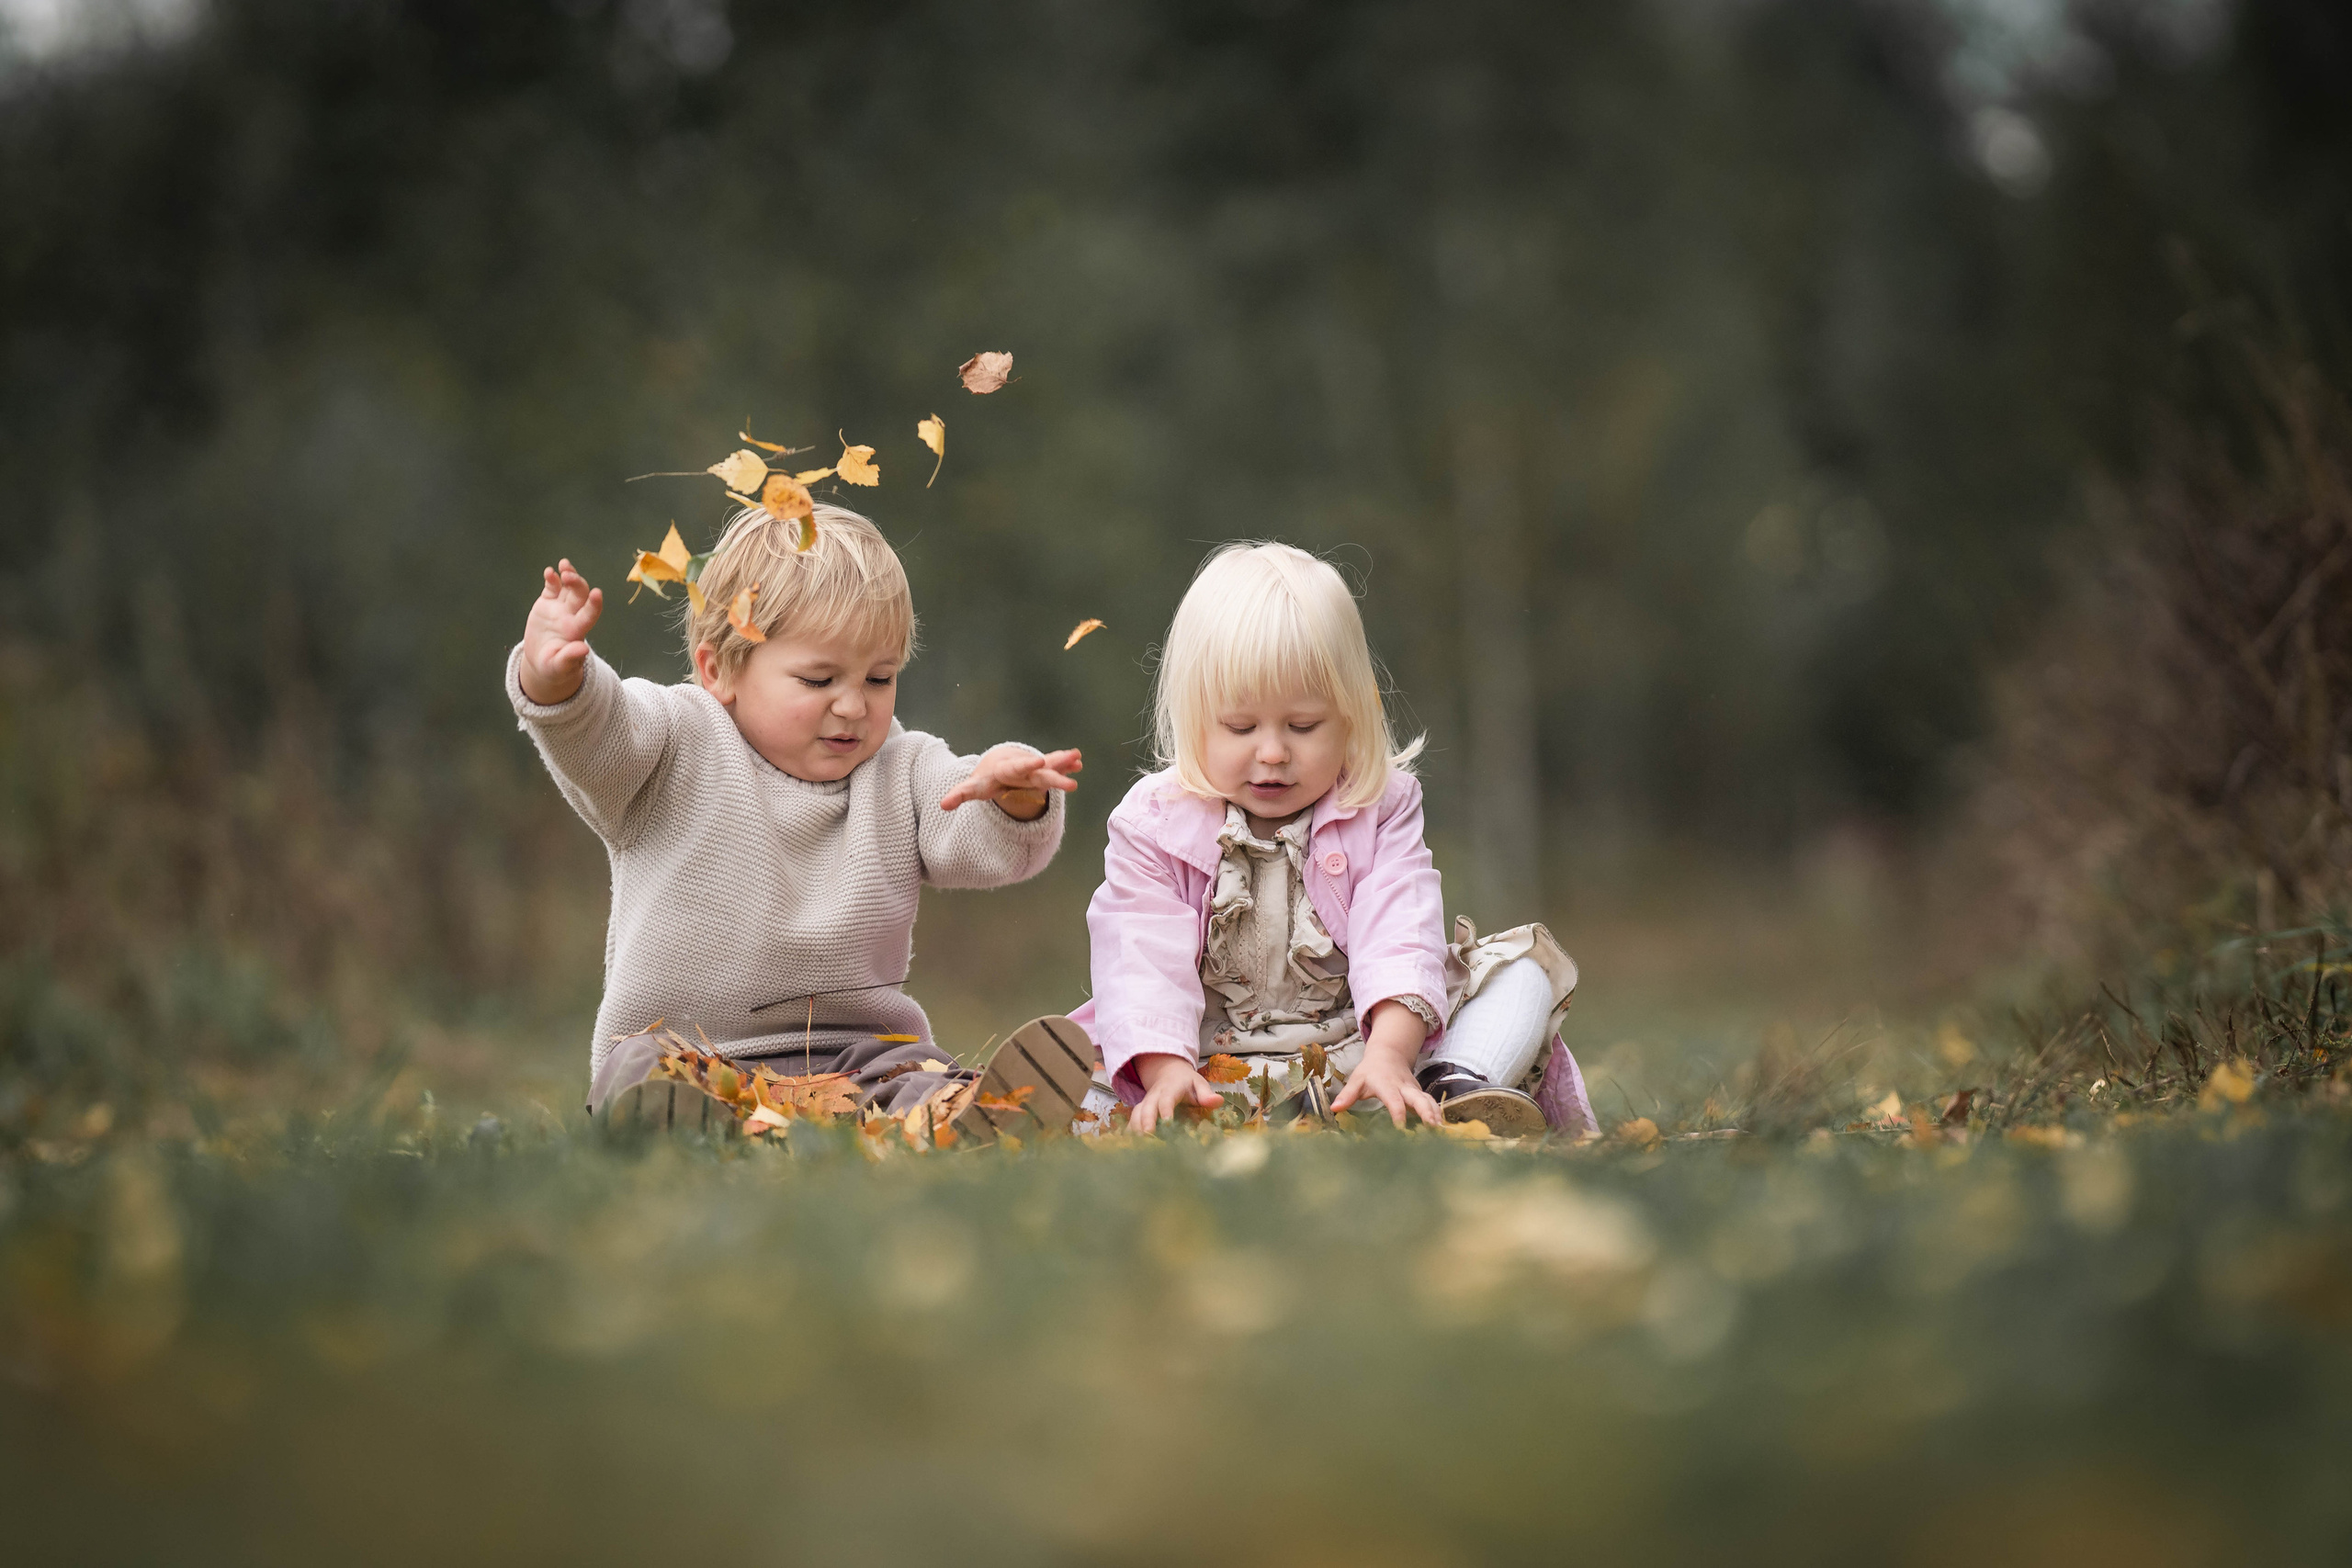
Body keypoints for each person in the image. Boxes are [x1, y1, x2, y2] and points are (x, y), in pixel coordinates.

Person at [508, 502, 1095, 1134]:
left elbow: (967, 823)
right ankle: (683, 1122)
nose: (852, 704)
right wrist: (557, 680)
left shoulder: (901, 766)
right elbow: (602, 732)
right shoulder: (676, 741)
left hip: (858, 1058)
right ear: (719, 669)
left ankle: (968, 1116)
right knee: (645, 1064)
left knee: (917, 1072)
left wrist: (1011, 796)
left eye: (879, 677)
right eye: (818, 679)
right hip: (700, 1056)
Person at [1073, 542, 1594, 1138]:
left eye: (1303, 726)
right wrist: (1165, 1070)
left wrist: (1391, 1055)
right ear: (1195, 718)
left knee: (1520, 971)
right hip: (1205, 1068)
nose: (1272, 751)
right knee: (1090, 1059)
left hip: (1363, 1059)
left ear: (1348, 717)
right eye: (1241, 727)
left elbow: (1402, 934)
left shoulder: (1378, 806)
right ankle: (1156, 1108)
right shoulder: (1155, 823)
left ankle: (1453, 1084)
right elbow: (1139, 959)